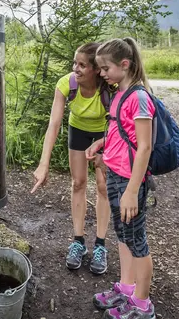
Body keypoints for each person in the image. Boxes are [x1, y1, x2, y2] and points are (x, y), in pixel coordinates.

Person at [86, 37, 156, 319]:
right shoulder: (119, 95)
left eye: (105, 68)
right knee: (124, 236)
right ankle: (126, 289)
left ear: (124, 65)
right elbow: (119, 132)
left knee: (137, 240)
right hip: (115, 175)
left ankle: (142, 304)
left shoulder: (138, 98)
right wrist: (101, 144)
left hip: (130, 182)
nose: (101, 73)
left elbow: (145, 146)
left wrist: (131, 190)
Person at [31, 42, 111, 274]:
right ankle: (78, 241)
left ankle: (100, 245)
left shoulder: (108, 87)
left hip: (105, 133)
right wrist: (43, 163)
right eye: (74, 63)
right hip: (78, 131)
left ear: (96, 69)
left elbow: (119, 124)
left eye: (82, 65)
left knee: (103, 187)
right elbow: (54, 124)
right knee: (78, 183)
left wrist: (106, 148)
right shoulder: (67, 83)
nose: (75, 68)